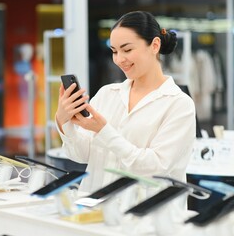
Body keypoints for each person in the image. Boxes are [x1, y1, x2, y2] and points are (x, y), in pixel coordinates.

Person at [55, 11, 196, 194]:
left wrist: (103, 131)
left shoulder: (179, 104)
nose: (119, 59)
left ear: (154, 45)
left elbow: (156, 167)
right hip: (95, 208)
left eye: (127, 50)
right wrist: (64, 120)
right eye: (114, 51)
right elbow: (81, 155)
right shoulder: (108, 94)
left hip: (146, 214)